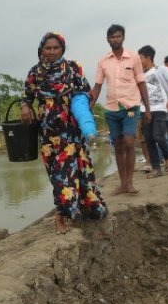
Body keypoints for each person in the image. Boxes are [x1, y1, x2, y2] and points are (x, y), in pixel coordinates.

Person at [19, 32, 108, 234]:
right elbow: (27, 96)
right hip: (50, 133)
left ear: (62, 49)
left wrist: (83, 110)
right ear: (41, 49)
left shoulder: (73, 68)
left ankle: (82, 210)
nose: (51, 52)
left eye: (55, 48)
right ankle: (60, 216)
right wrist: (25, 107)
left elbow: (85, 92)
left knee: (78, 169)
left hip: (72, 131)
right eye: (47, 48)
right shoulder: (35, 72)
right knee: (58, 175)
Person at [88, 24, 150, 195]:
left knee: (130, 142)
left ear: (123, 37)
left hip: (130, 107)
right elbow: (98, 86)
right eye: (112, 37)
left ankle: (130, 182)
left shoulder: (134, 57)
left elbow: (141, 83)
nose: (115, 39)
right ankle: (123, 183)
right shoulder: (103, 61)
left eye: (118, 36)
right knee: (118, 146)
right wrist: (89, 108)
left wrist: (148, 109)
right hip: (112, 110)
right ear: (108, 39)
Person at [137, 45, 168, 178]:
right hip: (145, 110)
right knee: (149, 139)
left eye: (141, 58)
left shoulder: (160, 69)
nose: (139, 61)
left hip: (160, 108)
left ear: (148, 57)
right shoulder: (140, 75)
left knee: (158, 136)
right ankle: (156, 169)